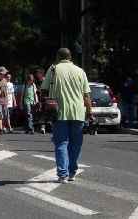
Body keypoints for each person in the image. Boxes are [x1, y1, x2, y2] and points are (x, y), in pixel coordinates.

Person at [41, 48, 91, 183]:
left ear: (58, 57)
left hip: (59, 111)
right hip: (78, 112)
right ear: (70, 57)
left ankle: (62, 174)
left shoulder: (53, 69)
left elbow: (44, 89)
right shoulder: (80, 71)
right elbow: (86, 95)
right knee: (76, 144)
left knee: (61, 143)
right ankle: (72, 172)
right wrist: (89, 112)